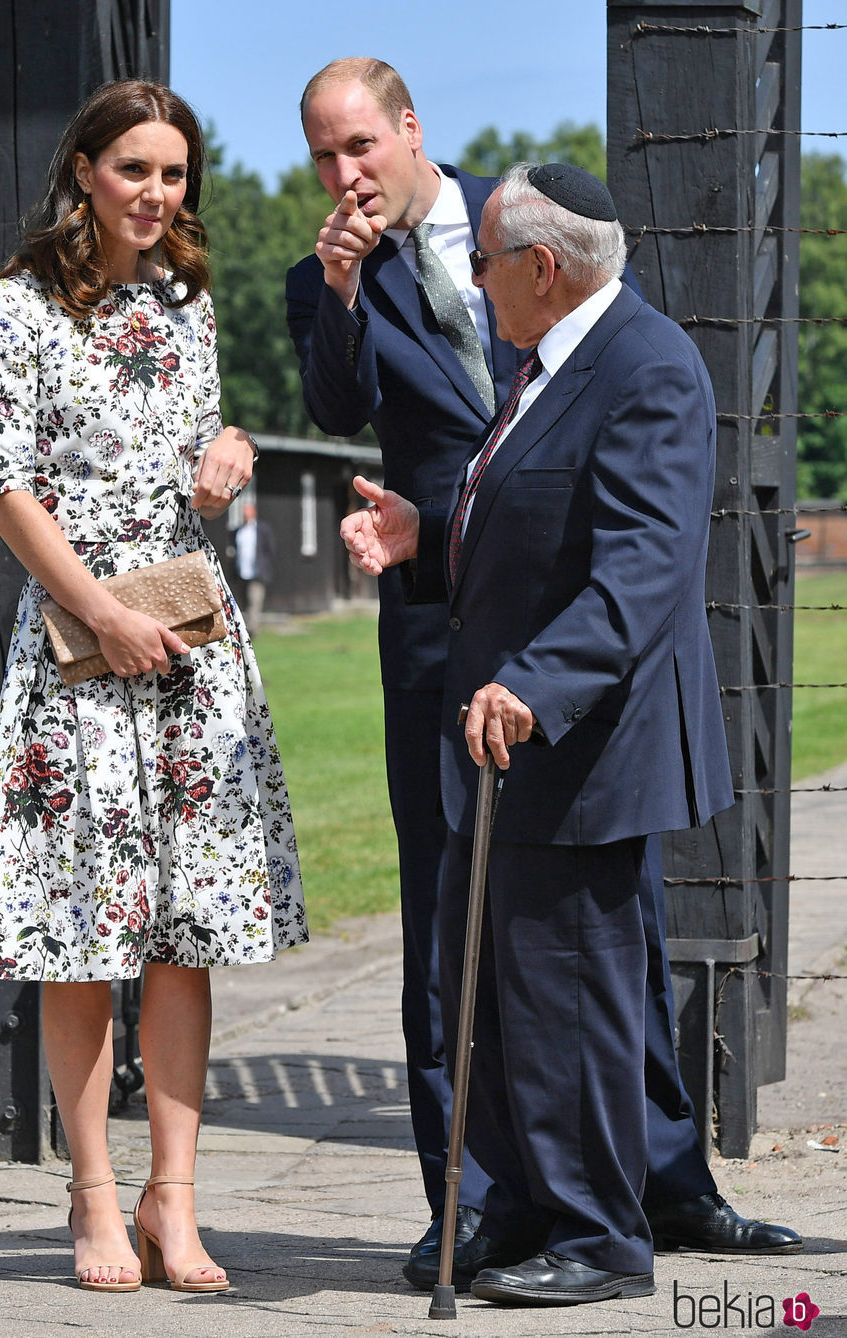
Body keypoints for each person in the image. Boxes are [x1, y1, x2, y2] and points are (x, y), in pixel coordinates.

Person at [286, 58, 801, 1289]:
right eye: (322, 158)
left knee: (590, 947)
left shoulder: (578, 296)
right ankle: (484, 1199)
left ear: (411, 131)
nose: (344, 175)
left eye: (360, 144)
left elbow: (626, 543)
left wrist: (537, 662)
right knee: (467, 942)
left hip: (567, 675)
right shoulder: (349, 285)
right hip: (450, 635)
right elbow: (355, 410)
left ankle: (634, 1200)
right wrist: (423, 522)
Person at [0, 79, 307, 1294]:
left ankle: (175, 1202)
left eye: (175, 175)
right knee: (76, 936)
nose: (157, 194)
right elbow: (1, 482)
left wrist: (231, 453)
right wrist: (97, 611)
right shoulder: (16, 305)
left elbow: (197, 465)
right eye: (135, 169)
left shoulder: (189, 304)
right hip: (77, 651)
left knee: (180, 937)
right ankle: (93, 1200)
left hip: (191, 642)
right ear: (85, 171)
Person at [233, 501, 276, 633]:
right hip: (241, 572)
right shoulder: (238, 531)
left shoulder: (262, 530)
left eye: (248, 513)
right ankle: (243, 629)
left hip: (257, 572)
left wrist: (264, 566)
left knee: (254, 601)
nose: (245, 515)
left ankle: (252, 630)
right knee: (242, 602)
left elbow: (271, 549)